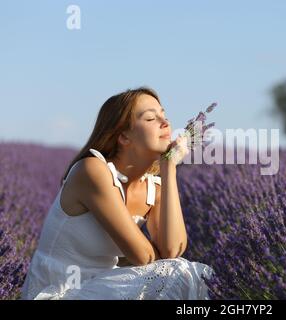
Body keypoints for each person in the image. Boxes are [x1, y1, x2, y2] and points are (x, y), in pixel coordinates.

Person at [20, 87, 214, 300]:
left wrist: (169, 169)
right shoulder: (92, 170)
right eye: (150, 118)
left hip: (98, 288)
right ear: (123, 137)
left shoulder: (152, 187)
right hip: (58, 292)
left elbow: (172, 251)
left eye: (164, 115)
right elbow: (142, 256)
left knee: (189, 274)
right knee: (178, 275)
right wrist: (156, 259)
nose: (165, 122)